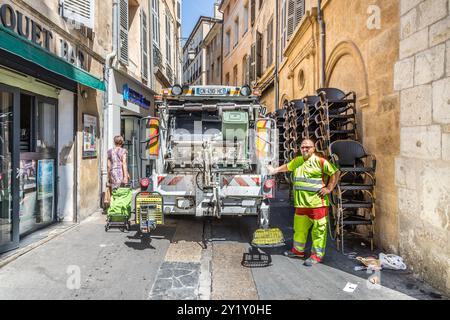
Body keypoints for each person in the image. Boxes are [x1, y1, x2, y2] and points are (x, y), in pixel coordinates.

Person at [268, 139, 339, 266]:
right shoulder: (298, 161)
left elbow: (335, 172)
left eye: (308, 147)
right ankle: (298, 251)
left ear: (313, 148)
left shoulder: (320, 162)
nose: (305, 149)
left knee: (319, 231)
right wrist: (275, 170)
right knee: (299, 229)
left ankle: (316, 256)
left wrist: (329, 188)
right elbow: (287, 167)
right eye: (302, 147)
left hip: (318, 204)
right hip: (301, 205)